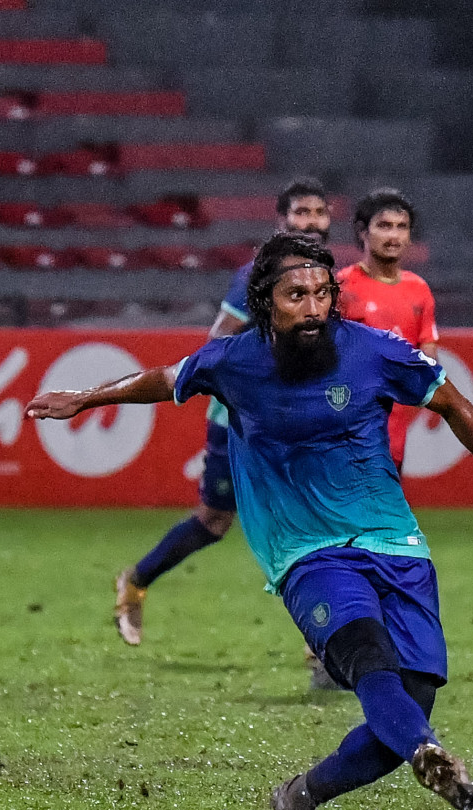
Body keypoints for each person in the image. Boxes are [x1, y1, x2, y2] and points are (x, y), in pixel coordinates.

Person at [29, 232, 473, 810]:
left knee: (408, 704)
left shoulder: (375, 351)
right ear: (266, 303)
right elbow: (162, 379)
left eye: (323, 293)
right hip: (304, 552)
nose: (314, 307)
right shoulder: (233, 361)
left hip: (395, 544)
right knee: (366, 653)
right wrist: (85, 398)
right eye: (297, 295)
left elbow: (452, 402)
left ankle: (301, 795)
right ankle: (427, 752)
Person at [113, 177, 331, 656]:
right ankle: (136, 580)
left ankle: (326, 646)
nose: (310, 222)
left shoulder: (330, 279)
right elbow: (217, 343)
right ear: (283, 220)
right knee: (214, 522)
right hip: (241, 421)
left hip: (300, 419)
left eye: (318, 212)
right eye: (301, 213)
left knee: (314, 520)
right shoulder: (256, 275)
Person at [336, 188, 438, 471]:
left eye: (401, 227)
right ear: (362, 231)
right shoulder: (340, 287)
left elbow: (429, 360)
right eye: (384, 226)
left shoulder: (419, 289)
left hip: (394, 435)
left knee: (386, 515)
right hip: (344, 432)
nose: (394, 236)